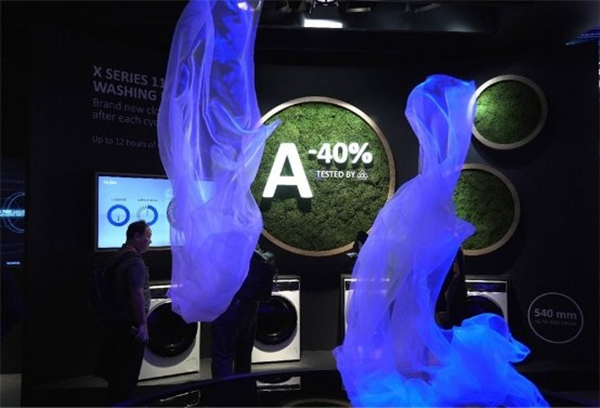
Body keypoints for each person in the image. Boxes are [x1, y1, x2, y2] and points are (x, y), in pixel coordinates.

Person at [99, 220, 152, 405]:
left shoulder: (117, 257)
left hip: (115, 323)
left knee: (116, 377)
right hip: (130, 326)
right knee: (128, 377)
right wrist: (143, 324)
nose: (150, 241)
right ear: (136, 236)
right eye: (148, 236)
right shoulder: (135, 261)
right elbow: (136, 293)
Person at [210, 246, 276, 379]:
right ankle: (244, 388)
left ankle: (223, 390)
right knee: (244, 353)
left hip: (228, 303)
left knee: (223, 354)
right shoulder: (251, 241)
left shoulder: (223, 244)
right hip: (249, 304)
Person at [435, 247, 468, 329]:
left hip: (447, 303)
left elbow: (455, 275)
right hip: (449, 301)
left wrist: (446, 305)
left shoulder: (449, 248)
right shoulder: (452, 247)